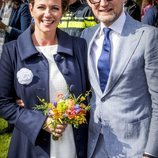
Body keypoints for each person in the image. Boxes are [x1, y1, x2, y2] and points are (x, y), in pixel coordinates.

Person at [0, 0, 89, 158]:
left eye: (55, 8)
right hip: (30, 145)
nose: (47, 14)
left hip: (73, 144)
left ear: (62, 12)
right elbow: (3, 102)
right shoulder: (12, 51)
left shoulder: (79, 47)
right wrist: (40, 122)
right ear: (31, 9)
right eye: (41, 7)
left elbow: (90, 93)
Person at [81, 0, 158, 157]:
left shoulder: (148, 35)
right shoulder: (87, 36)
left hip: (135, 148)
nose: (103, 3)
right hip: (94, 145)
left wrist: (150, 152)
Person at [0, 0, 31, 134]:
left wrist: (5, 27)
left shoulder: (22, 8)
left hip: (11, 53)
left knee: (10, 91)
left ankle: (14, 125)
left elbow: (24, 34)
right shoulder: (1, 5)